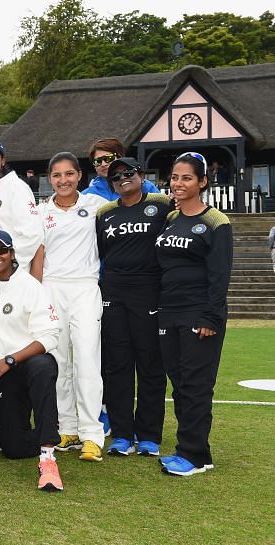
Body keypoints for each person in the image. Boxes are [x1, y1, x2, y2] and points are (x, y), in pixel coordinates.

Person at [156, 152, 232, 476]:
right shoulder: (171, 219)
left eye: (187, 178)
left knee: (196, 385)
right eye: (174, 177)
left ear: (202, 181)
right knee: (180, 384)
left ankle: (192, 456)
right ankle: (200, 450)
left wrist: (210, 318)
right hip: (168, 312)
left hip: (199, 312)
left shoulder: (216, 221)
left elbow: (220, 275)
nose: (178, 183)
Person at [34, 152, 108, 462]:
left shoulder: (95, 206)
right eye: (56, 175)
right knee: (59, 361)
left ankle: (92, 434)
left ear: (79, 175)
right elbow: (37, 256)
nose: (63, 180)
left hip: (85, 287)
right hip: (51, 289)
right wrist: (37, 297)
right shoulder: (41, 212)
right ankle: (68, 427)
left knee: (88, 358)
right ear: (49, 179)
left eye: (69, 174)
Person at [97, 157, 172, 457]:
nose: (122, 179)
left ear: (141, 175)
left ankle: (150, 434)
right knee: (117, 366)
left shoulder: (161, 205)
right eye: (116, 177)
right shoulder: (104, 213)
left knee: (151, 364)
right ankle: (123, 433)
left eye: (128, 173)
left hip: (150, 293)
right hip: (114, 293)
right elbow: (101, 253)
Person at [0, 230, 63, 491]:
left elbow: (49, 336)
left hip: (26, 365)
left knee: (43, 365)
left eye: (1, 250)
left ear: (12, 253)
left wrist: (11, 360)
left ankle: (48, 456)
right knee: (14, 449)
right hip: (1, 374)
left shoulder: (30, 286)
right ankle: (30, 431)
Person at [0, 138, 43, 277]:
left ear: (3, 160)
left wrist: (9, 265)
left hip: (13, 276)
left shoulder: (17, 188)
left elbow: (32, 234)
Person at [83, 138, 159, 200]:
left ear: (120, 157)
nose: (103, 164)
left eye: (108, 158)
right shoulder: (86, 195)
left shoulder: (144, 186)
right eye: (97, 161)